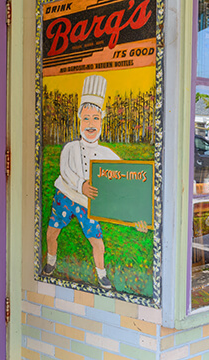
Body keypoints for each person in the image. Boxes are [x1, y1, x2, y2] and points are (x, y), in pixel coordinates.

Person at [42, 75, 147, 289]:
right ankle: (51, 262)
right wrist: (81, 185)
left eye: (95, 119)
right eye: (86, 119)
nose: (91, 124)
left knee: (97, 242)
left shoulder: (107, 153)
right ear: (79, 120)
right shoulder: (69, 148)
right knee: (52, 232)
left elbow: (127, 184)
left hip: (89, 205)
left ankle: (101, 274)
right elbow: (65, 172)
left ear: (102, 121)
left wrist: (139, 216)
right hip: (65, 196)